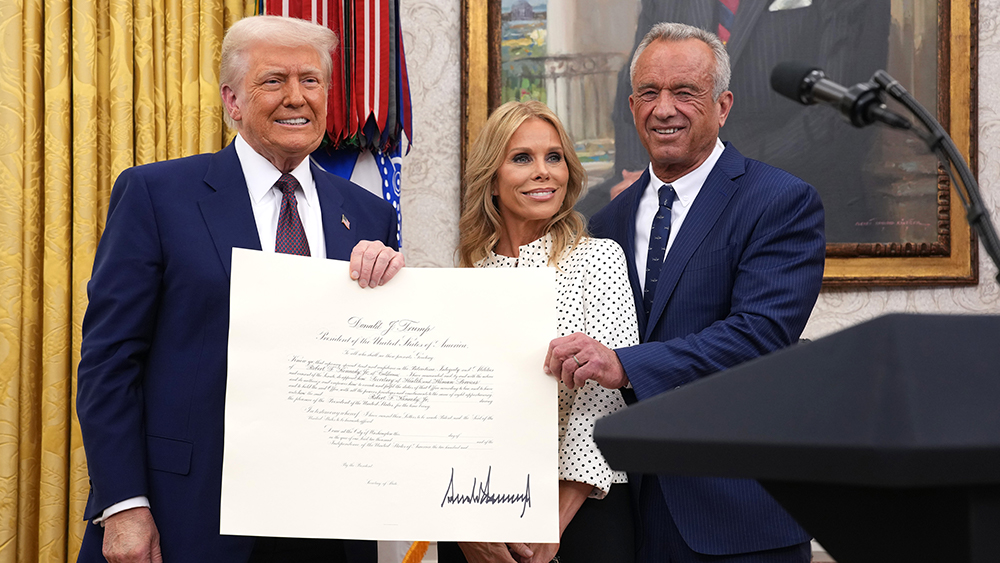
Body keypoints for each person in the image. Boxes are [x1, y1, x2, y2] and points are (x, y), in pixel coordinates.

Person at [76, 15, 404, 563]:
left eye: (311, 80)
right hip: (188, 514)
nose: (296, 97)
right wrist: (124, 504)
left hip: (329, 519)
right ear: (232, 101)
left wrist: (397, 298)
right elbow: (109, 362)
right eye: (273, 80)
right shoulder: (156, 195)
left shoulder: (369, 215)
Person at [545, 23, 825, 563]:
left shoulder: (781, 201)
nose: (664, 109)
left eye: (685, 92)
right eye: (649, 93)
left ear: (723, 106)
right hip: (627, 518)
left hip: (738, 517)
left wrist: (624, 365)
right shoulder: (604, 224)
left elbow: (760, 335)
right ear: (632, 107)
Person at [438, 100, 639, 563]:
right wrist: (468, 528)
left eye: (554, 157)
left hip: (582, 510)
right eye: (522, 158)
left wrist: (551, 521)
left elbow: (603, 402)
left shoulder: (598, 260)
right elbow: (450, 417)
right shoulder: (465, 275)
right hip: (475, 515)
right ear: (492, 178)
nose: (543, 171)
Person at [575, 0, 890, 245]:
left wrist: (706, 177)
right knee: (570, 228)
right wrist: (643, 183)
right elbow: (636, 90)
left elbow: (831, 119)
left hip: (789, 202)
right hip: (667, 199)